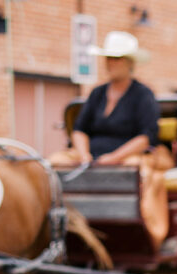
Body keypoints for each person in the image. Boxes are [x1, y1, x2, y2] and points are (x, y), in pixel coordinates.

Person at [50, 31, 169, 247]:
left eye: (117, 59)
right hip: (91, 153)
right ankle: (58, 217)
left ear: (129, 63)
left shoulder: (143, 95)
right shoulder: (97, 94)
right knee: (55, 162)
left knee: (134, 171)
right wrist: (84, 154)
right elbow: (79, 129)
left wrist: (114, 158)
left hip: (128, 155)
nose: (110, 64)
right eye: (109, 59)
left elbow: (146, 137)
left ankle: (143, 227)